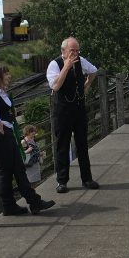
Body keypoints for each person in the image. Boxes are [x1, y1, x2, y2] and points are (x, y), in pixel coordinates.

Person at [0, 65, 55, 215]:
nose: (9, 76)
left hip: (4, 134)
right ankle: (19, 205)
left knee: (16, 169)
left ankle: (24, 204)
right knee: (7, 171)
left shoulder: (1, 93)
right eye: (6, 74)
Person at [47, 37, 100, 193]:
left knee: (82, 144)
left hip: (78, 108)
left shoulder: (81, 61)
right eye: (72, 51)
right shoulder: (54, 65)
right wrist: (66, 66)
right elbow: (55, 86)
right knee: (62, 145)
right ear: (63, 51)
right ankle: (62, 181)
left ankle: (87, 179)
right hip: (62, 110)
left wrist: (86, 85)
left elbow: (94, 71)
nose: (75, 53)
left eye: (77, 50)